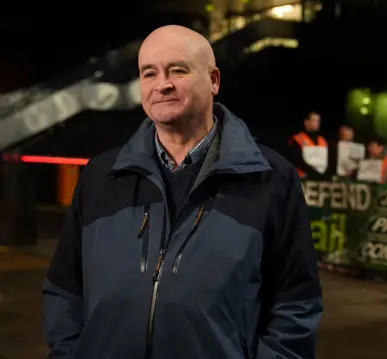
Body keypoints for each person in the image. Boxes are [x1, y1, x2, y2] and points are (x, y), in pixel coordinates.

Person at [43, 25, 322, 359]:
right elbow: (64, 290)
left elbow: (296, 304)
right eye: (149, 73)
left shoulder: (271, 179)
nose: (162, 84)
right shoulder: (100, 176)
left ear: (214, 80)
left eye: (178, 70)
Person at [288, 111, 328, 179]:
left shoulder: (323, 140)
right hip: (303, 177)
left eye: (318, 121)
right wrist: (312, 172)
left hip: (320, 177)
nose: (317, 123)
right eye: (314, 120)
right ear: (306, 122)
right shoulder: (297, 139)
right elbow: (296, 160)